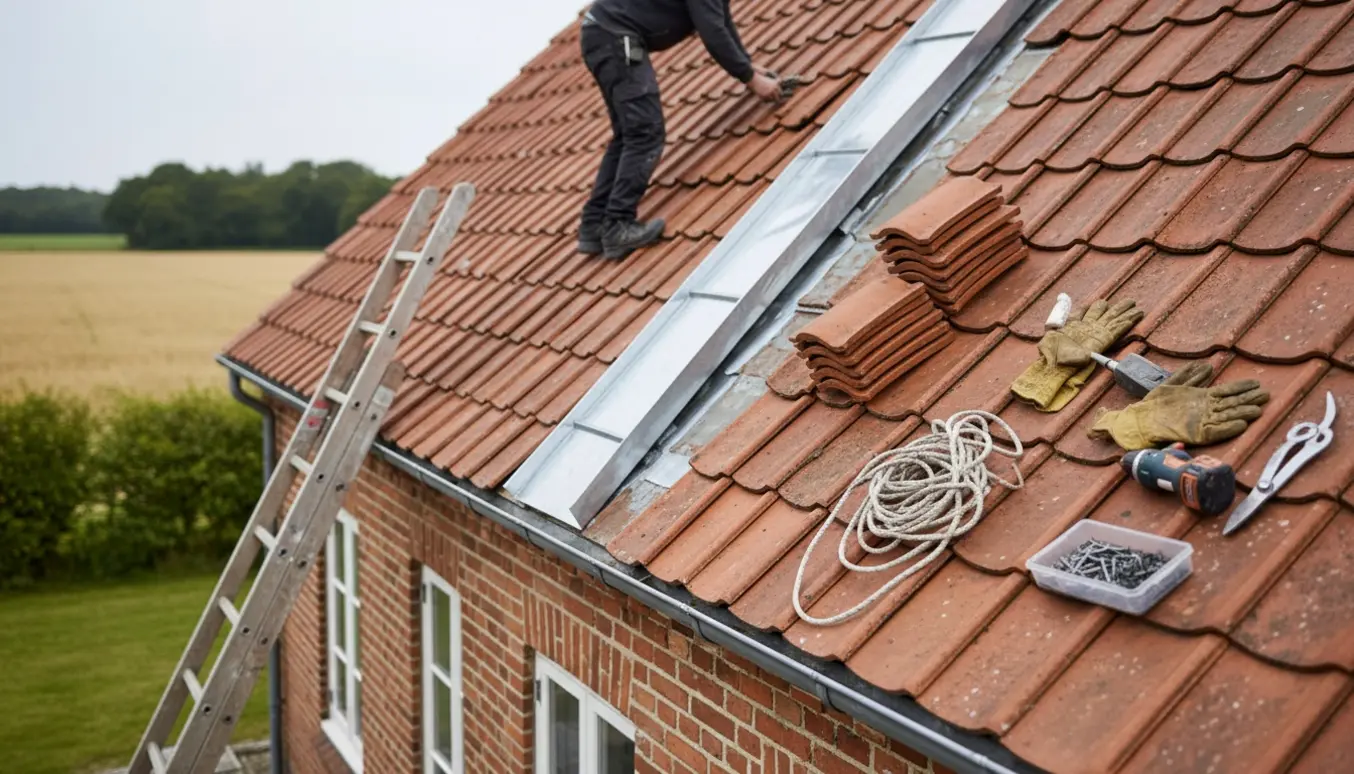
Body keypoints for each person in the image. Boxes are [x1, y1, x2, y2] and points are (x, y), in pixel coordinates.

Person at [576, 0, 783, 260]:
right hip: (614, 37)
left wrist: (748, 65)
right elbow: (712, 31)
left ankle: (594, 224)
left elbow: (721, 20)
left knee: (628, 135)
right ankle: (617, 225)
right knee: (645, 132)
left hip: (602, 33)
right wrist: (750, 79)